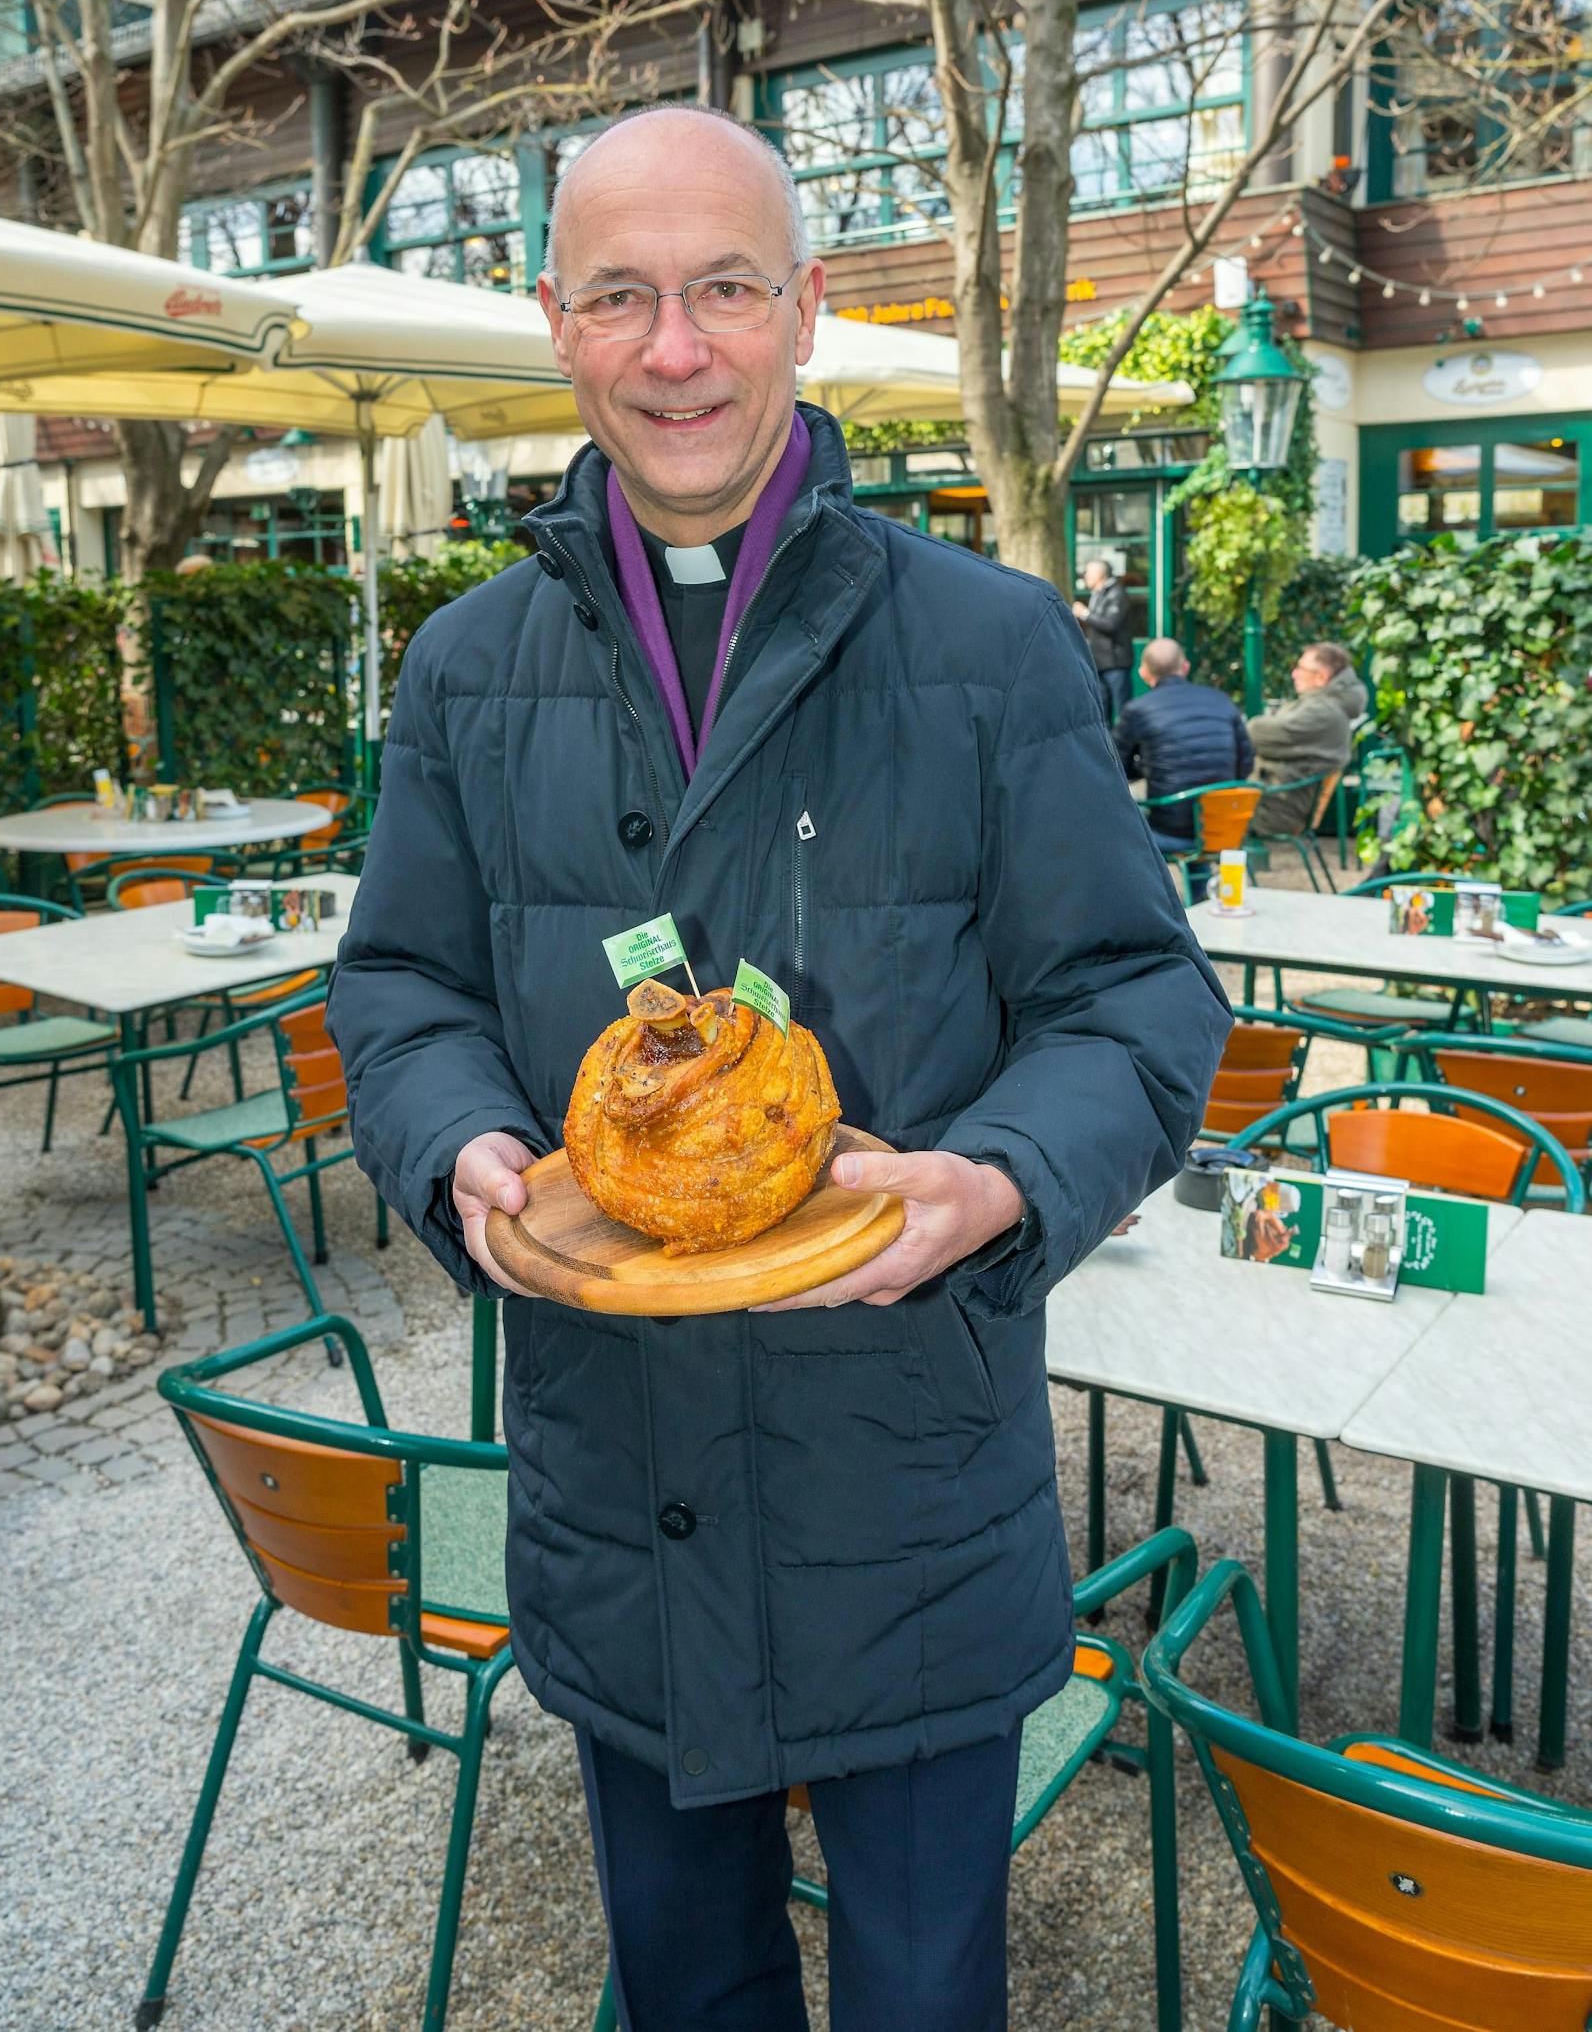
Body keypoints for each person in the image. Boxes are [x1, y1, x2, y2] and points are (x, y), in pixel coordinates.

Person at [326, 104, 1230, 2032]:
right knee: (688, 1994)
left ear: (806, 306)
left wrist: (998, 1176)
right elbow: (397, 986)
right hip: (616, 1485)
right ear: (554, 322)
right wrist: (460, 1137)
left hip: (907, 1494)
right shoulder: (470, 668)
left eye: (726, 287)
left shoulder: (988, 646)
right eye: (627, 298)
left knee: (921, 1998)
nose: (679, 348)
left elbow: (1142, 1005)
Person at [1115, 636, 1254, 883]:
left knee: (1116, 830)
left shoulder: (1138, 709)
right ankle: (1198, 895)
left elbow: (1116, 768)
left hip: (1171, 832)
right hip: (1224, 828)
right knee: (1194, 806)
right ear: (1185, 666)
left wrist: (1145, 765)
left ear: (1144, 673)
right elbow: (1245, 764)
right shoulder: (1221, 700)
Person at [1247, 639, 1365, 836]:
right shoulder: (1327, 707)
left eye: (1301, 669)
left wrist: (1243, 727)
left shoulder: (1322, 712)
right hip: (1274, 800)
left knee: (1192, 806)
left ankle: (1200, 866)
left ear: (1321, 677)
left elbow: (1256, 734)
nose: (1294, 674)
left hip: (1274, 809)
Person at [1069, 555, 1135, 721]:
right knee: (1101, 712)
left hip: (1116, 663)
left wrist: (1085, 613)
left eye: (1088, 572)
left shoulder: (1117, 594)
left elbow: (1111, 624)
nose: (1085, 576)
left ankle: (1124, 747)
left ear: (1100, 574)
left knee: (1123, 711)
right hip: (1098, 663)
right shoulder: (1097, 594)